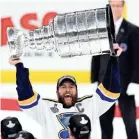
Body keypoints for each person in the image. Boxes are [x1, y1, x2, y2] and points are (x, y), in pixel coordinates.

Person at [9, 43, 122, 139]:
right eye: (63, 87)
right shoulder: (45, 108)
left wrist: (113, 58)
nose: (67, 90)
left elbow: (111, 90)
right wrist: (19, 66)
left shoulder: (90, 105)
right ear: (57, 92)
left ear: (77, 91)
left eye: (71, 87)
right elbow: (26, 96)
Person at [91, 1, 139, 139]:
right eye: (113, 5)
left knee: (130, 123)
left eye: (118, 5)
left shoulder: (133, 30)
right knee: (105, 121)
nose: (115, 9)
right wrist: (95, 78)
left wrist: (135, 82)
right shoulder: (101, 30)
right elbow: (97, 56)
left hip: (125, 83)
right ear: (108, 7)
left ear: (123, 7)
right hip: (105, 84)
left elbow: (137, 57)